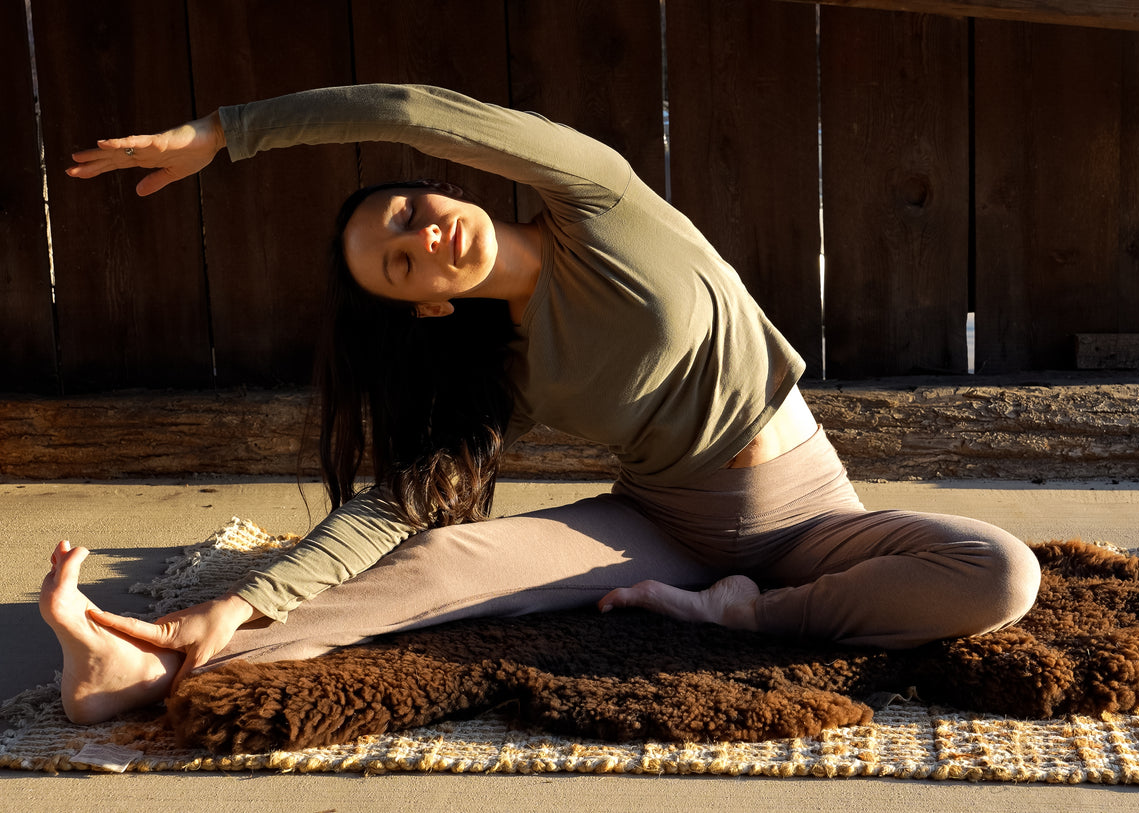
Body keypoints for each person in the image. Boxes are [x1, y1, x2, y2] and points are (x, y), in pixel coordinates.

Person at [41, 84, 1041, 726]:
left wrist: (229, 132)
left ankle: (745, 618)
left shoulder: (601, 202)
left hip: (811, 513)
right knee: (440, 561)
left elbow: (411, 108)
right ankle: (146, 668)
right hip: (662, 527)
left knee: (998, 573)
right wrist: (241, 599)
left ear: (439, 189)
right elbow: (399, 501)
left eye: (408, 213)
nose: (422, 239)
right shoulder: (505, 366)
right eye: (399, 264)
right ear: (426, 305)